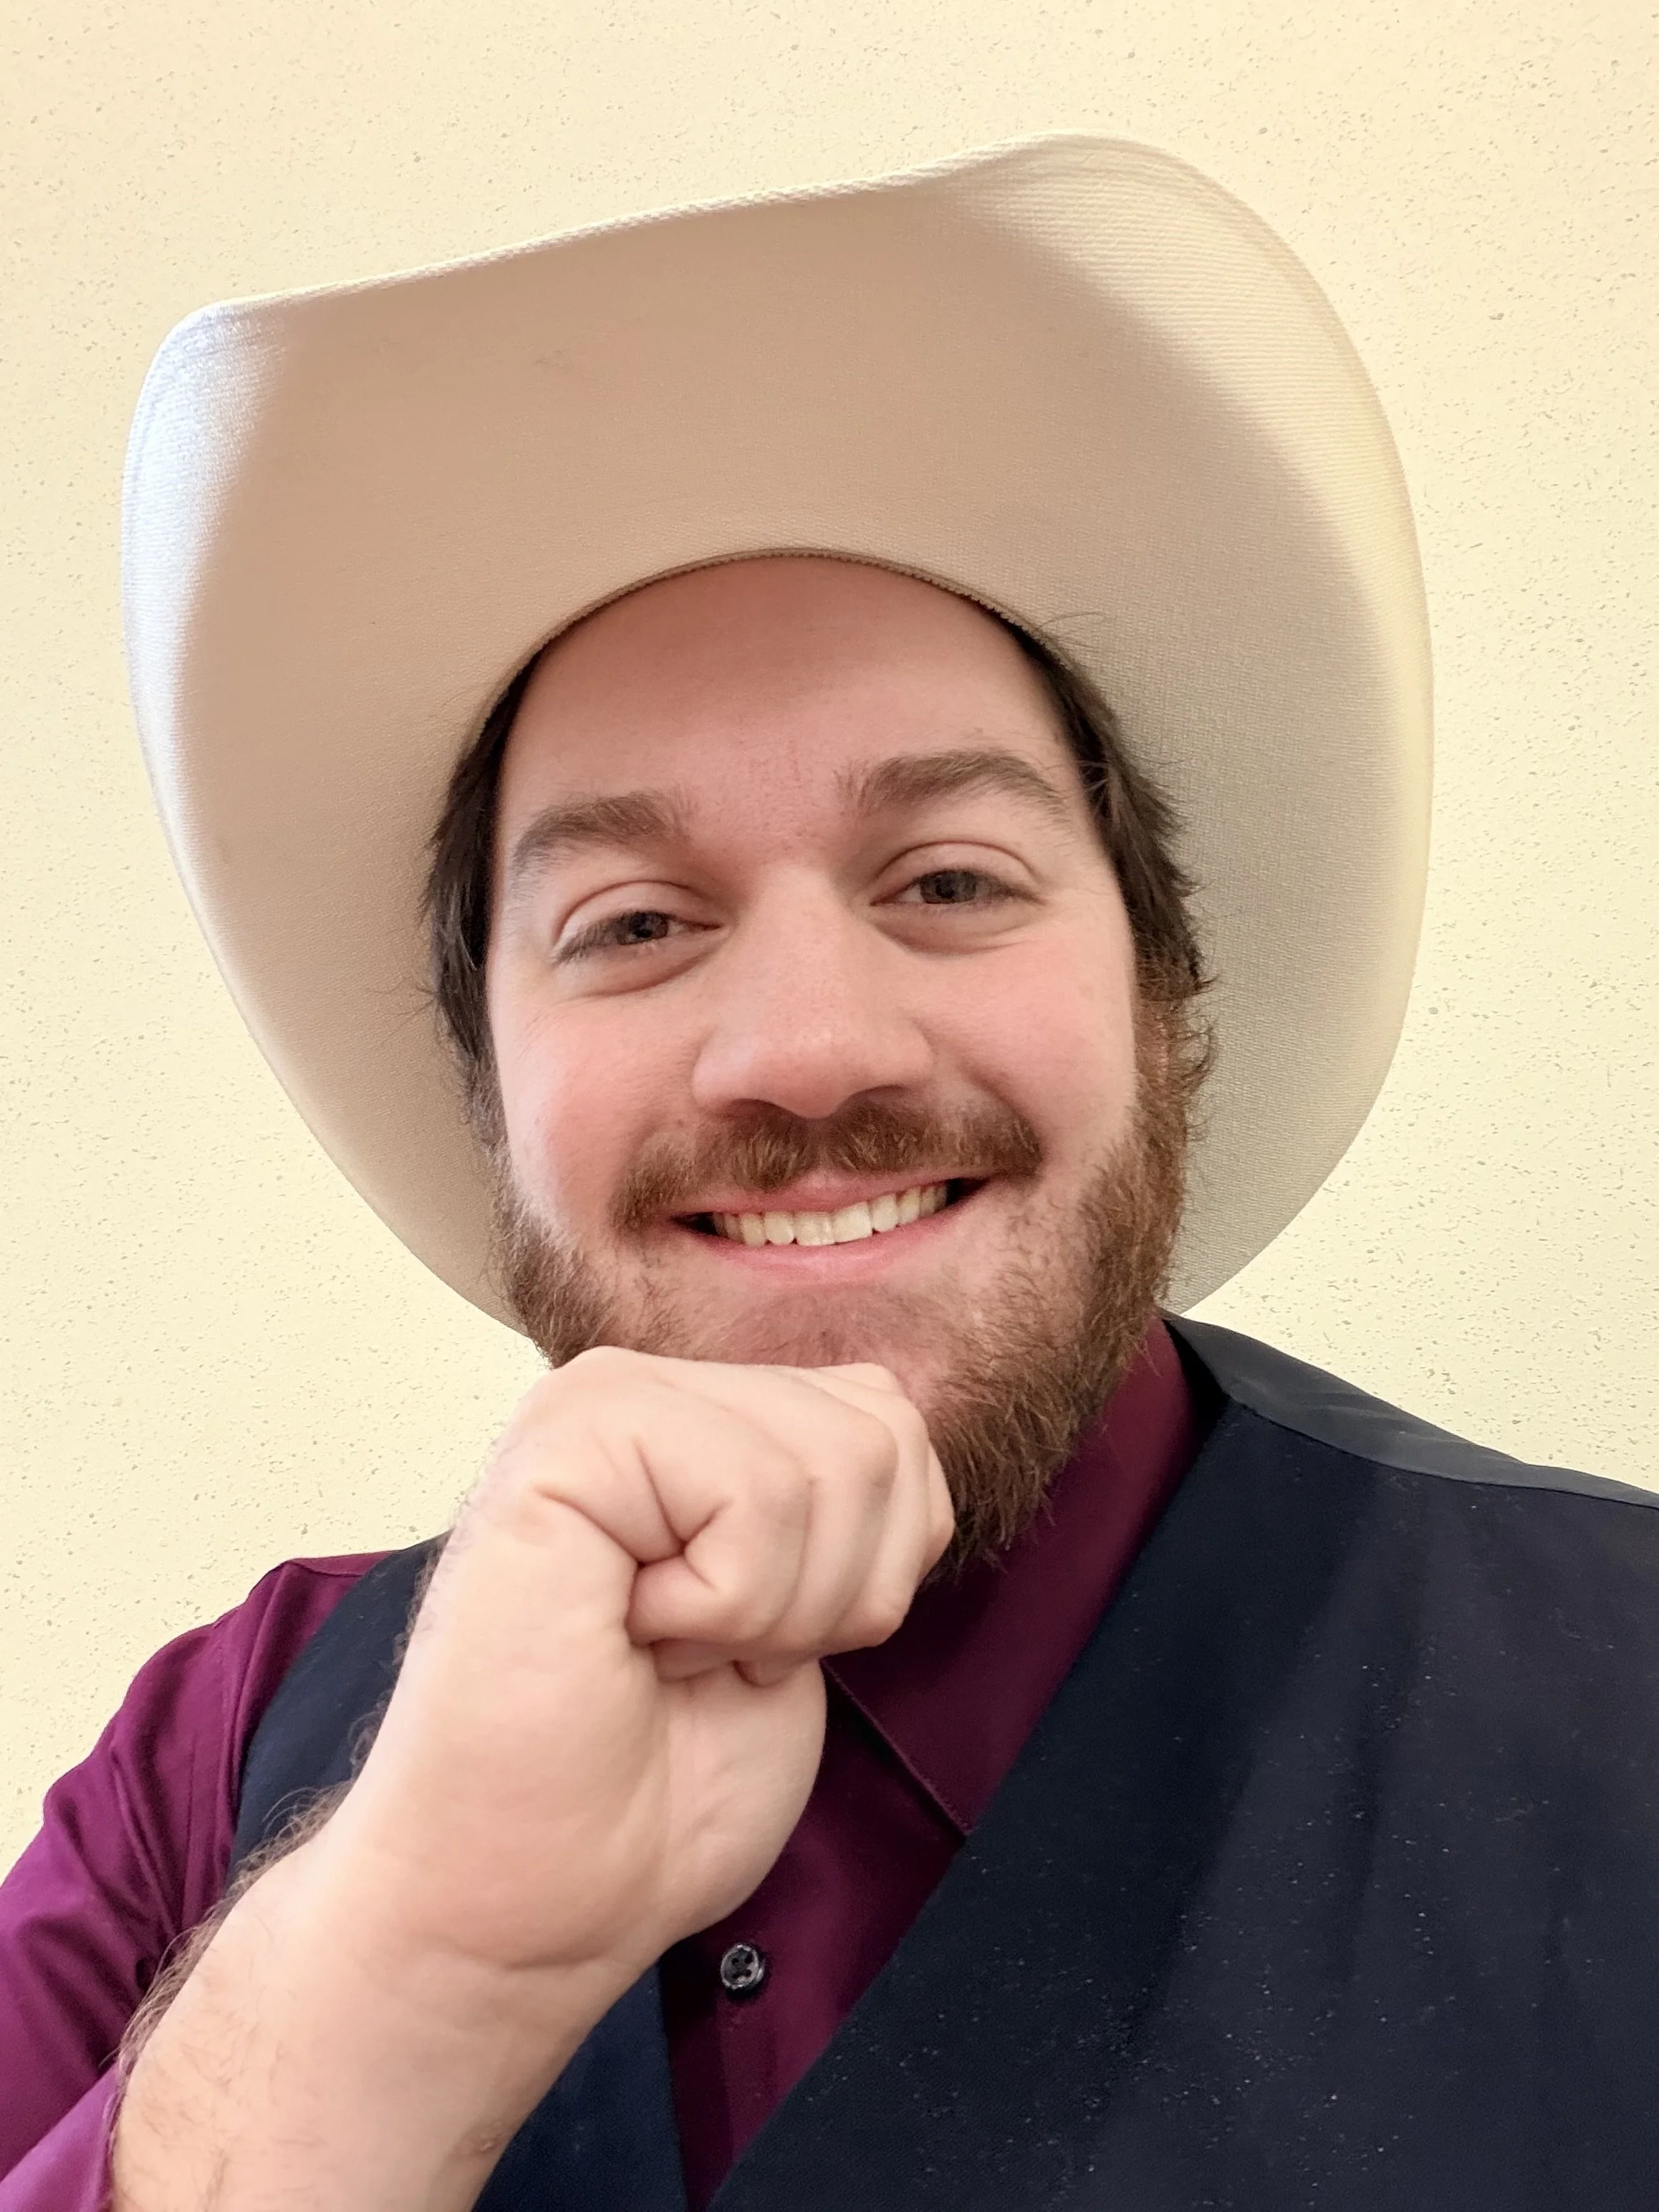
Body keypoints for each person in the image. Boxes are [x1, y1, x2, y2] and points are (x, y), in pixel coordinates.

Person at [3, 136, 1657, 2212]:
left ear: (1158, 1001)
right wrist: (382, 1988)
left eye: (949, 879)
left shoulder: (1619, 1694)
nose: (804, 1046)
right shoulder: (209, 1770)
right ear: (492, 1083)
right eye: (631, 922)